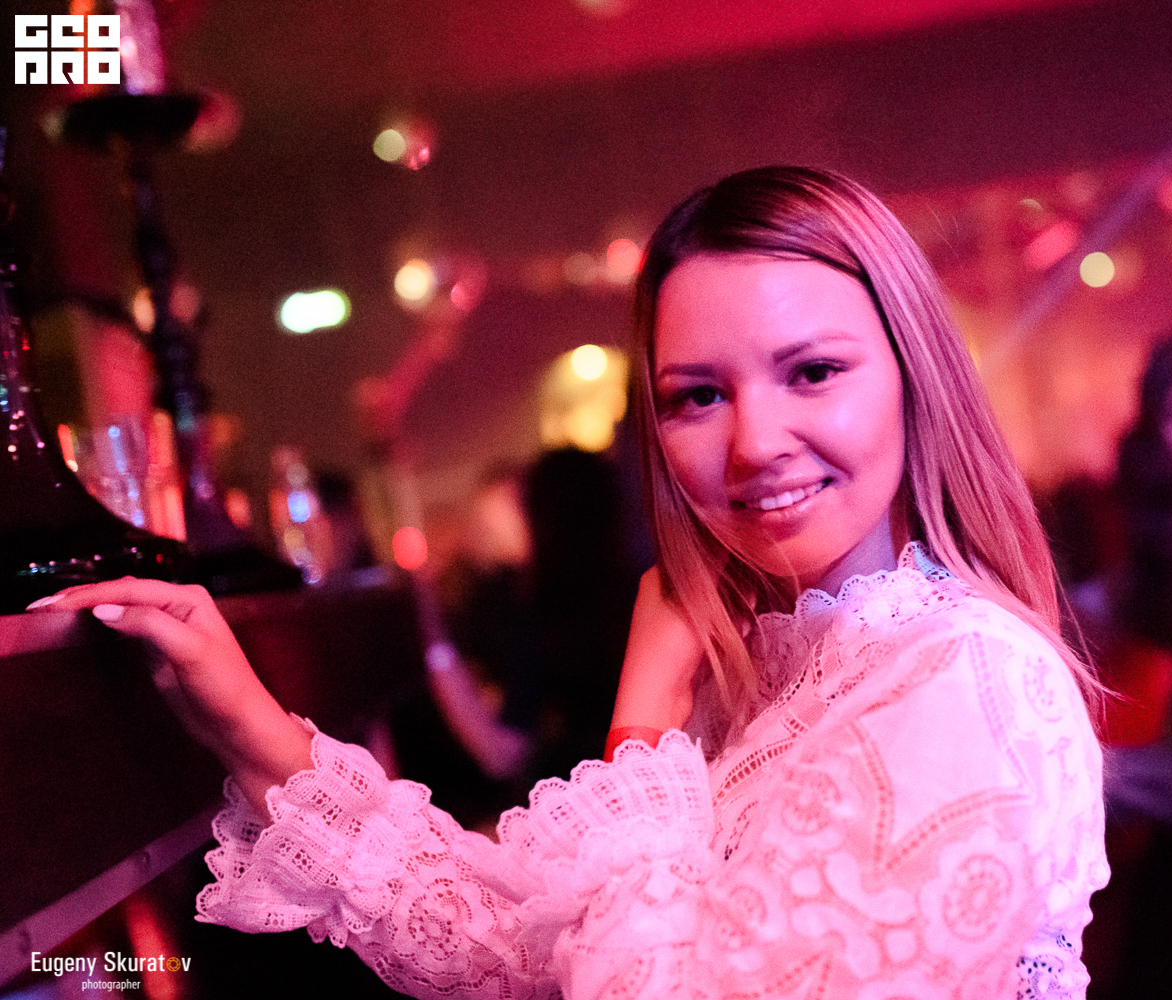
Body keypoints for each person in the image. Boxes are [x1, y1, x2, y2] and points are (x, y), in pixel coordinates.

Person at [28, 167, 1108, 999]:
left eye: (812, 372)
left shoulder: (967, 677)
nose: (754, 443)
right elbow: (533, 952)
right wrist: (256, 730)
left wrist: (641, 729)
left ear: (915, 375)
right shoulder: (785, 662)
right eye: (697, 396)